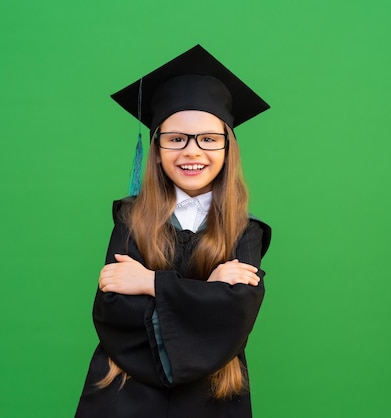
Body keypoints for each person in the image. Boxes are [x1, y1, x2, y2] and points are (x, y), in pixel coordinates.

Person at [75, 45, 271, 418]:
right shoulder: (131, 219)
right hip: (123, 396)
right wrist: (208, 290)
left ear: (228, 147)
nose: (192, 152)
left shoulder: (245, 232)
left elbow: (233, 316)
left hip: (214, 397)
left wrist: (150, 282)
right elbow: (114, 309)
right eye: (176, 138)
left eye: (209, 139)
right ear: (157, 147)